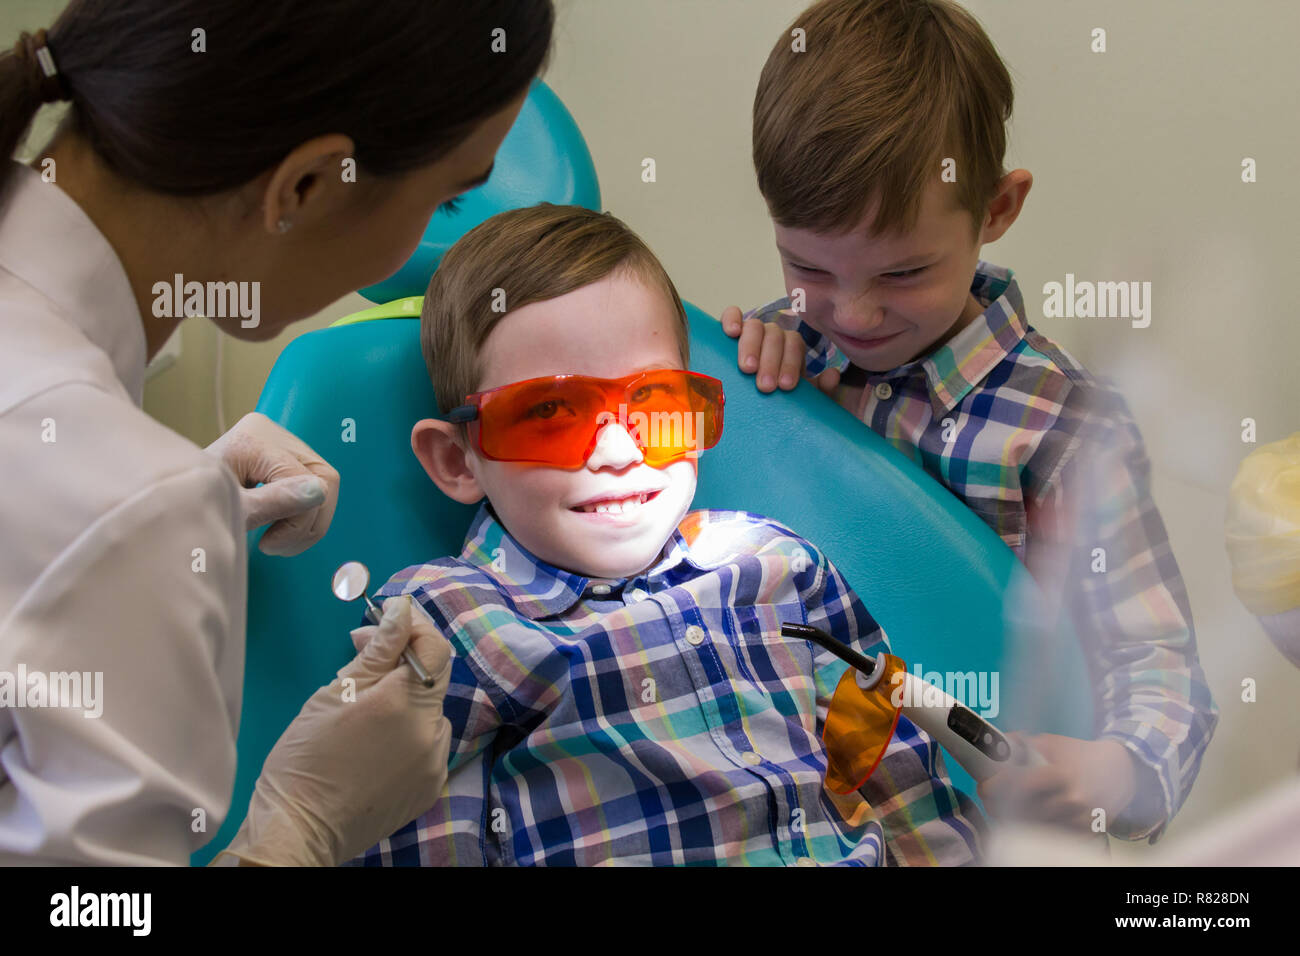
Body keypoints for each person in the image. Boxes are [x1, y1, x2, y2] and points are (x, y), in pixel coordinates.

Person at [0, 0, 554, 865]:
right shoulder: (123, 495)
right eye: (446, 200)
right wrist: (297, 833)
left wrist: (137, 534)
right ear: (305, 186)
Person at [350, 203, 985, 866]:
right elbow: (407, 837)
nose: (621, 452)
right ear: (458, 460)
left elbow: (895, 773)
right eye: (548, 413)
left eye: (653, 403)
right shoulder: (446, 622)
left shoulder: (776, 565)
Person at [720, 0, 1216, 843]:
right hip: (784, 800)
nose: (854, 311)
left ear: (997, 209)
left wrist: (1117, 772)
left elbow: (1154, 664)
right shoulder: (789, 354)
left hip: (970, 820)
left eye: (905, 271)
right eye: (806, 264)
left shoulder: (1063, 430)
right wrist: (744, 397)